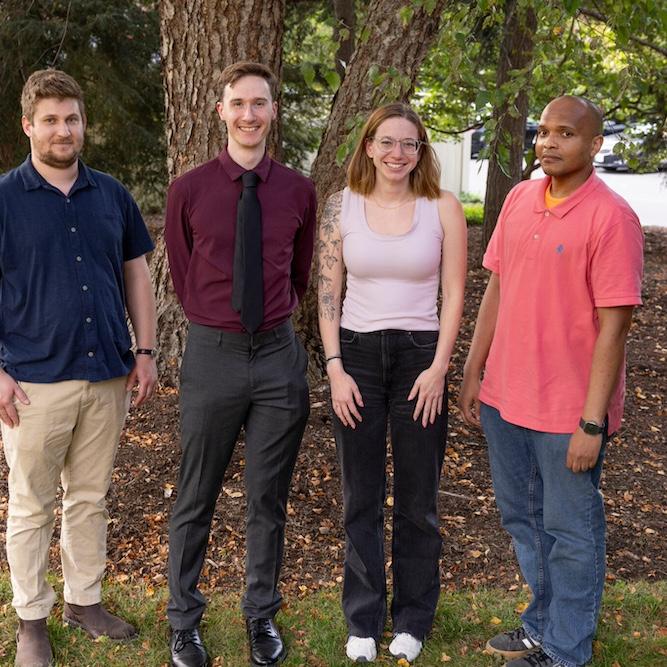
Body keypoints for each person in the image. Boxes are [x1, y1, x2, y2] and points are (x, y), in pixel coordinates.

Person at [459, 96, 644, 667]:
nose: (549, 143)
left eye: (565, 133)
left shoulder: (612, 218)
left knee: (571, 530)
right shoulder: (518, 198)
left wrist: (592, 422)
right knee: (523, 522)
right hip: (504, 399)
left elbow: (614, 330)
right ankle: (541, 625)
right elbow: (496, 288)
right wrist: (473, 368)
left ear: (594, 145)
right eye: (543, 132)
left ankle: (566, 648)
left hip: (568, 412)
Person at [0, 69, 157, 667]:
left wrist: (144, 351)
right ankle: (31, 619)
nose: (62, 130)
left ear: (83, 124)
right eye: (50, 120)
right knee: (32, 505)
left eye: (71, 119)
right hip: (32, 384)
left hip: (107, 376)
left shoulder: (111, 194)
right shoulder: (5, 198)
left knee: (90, 497)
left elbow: (136, 275)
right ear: (28, 126)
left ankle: (84, 601)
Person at [165, 61, 316, 667]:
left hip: (278, 357)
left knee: (266, 499)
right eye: (238, 104)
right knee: (195, 494)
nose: (249, 115)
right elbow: (181, 273)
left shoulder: (299, 191)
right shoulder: (189, 190)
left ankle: (260, 616)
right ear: (221, 111)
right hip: (213, 355)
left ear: (272, 111)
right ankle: (184, 622)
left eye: (259, 103)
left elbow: (299, 275)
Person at [318, 102, 467, 663]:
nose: (397, 153)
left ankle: (411, 619)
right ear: (368, 146)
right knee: (360, 495)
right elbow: (327, 293)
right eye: (387, 141)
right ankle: (363, 621)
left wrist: (439, 368)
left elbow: (454, 293)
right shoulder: (341, 206)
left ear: (420, 151)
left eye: (409, 143)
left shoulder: (442, 208)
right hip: (354, 355)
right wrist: (334, 368)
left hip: (419, 359)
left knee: (416, 500)